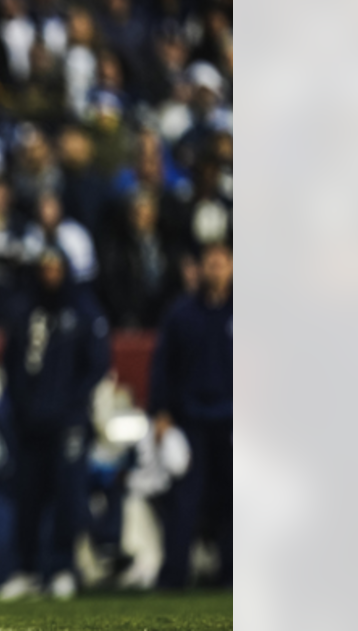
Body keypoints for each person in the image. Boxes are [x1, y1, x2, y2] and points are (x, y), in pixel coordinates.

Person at [0, 250, 111, 602]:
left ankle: (62, 568)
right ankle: (27, 570)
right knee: (27, 498)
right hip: (29, 421)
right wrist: (19, 404)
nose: (50, 275)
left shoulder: (83, 311)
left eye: (56, 268)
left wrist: (72, 405)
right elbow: (11, 362)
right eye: (44, 268)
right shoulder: (23, 310)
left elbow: (97, 364)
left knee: (67, 497)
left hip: (68, 420)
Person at [149, 242, 233, 588]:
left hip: (234, 419)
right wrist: (161, 412)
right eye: (209, 262)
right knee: (185, 501)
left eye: (221, 262)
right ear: (199, 268)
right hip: (192, 419)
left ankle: (234, 575)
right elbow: (162, 365)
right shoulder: (181, 313)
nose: (215, 269)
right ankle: (174, 575)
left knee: (237, 500)